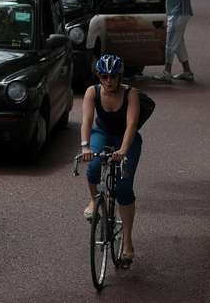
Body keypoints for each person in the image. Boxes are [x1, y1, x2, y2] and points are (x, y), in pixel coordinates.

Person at [81, 54, 142, 267]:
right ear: (99, 76)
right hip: (103, 134)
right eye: (104, 76)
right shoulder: (92, 92)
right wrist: (85, 147)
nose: (108, 81)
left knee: (124, 188)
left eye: (113, 76)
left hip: (127, 139)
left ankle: (127, 241)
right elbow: (87, 120)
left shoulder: (131, 93)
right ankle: (93, 199)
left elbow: (132, 124)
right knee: (93, 165)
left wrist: (123, 150)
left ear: (120, 76)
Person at [154, 0, 194, 82]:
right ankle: (187, 71)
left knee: (170, 42)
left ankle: (167, 72)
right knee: (178, 44)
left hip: (178, 13)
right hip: (177, 13)